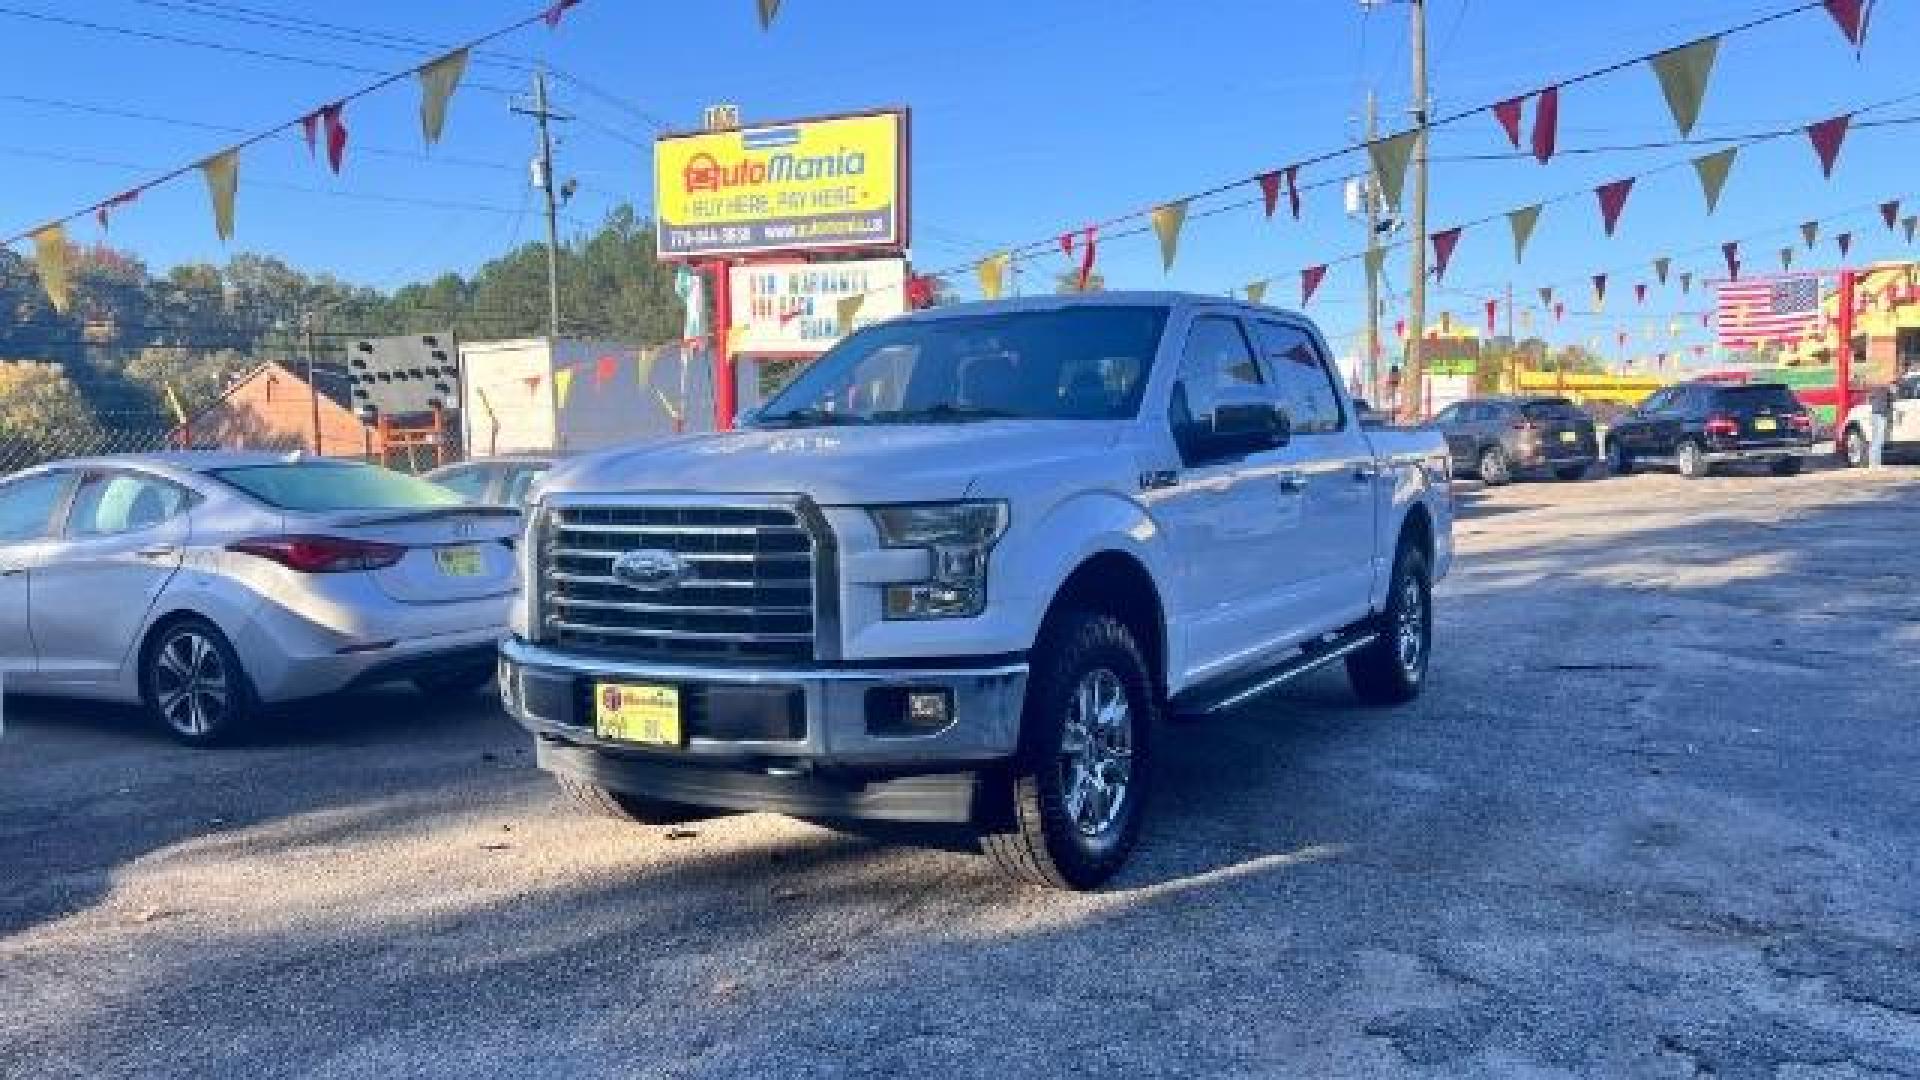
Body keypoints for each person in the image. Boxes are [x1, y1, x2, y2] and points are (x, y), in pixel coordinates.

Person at [1867, 381, 1893, 469]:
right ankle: (1876, 464)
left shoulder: (1875, 388)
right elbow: (1888, 400)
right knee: (1878, 439)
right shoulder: (1884, 388)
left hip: (1875, 413)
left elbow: (1870, 399)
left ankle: (1873, 463)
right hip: (1881, 413)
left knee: (1875, 439)